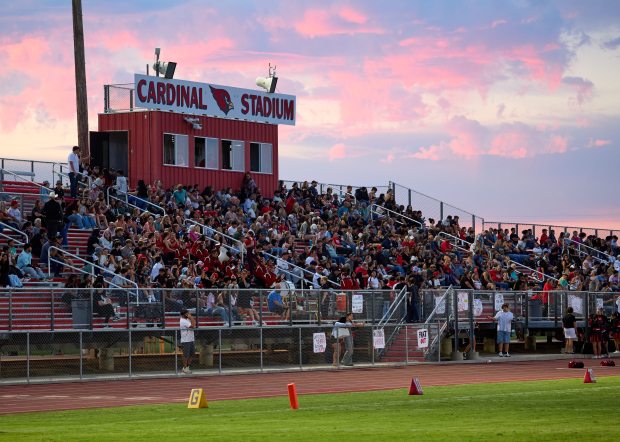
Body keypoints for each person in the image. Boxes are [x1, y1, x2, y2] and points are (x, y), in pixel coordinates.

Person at [179, 308, 196, 374]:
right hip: (186, 340)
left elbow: (194, 324)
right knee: (186, 355)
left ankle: (187, 367)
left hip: (191, 339)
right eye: (187, 313)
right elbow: (193, 325)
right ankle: (185, 368)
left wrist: (190, 318)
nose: (189, 314)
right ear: (184, 314)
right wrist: (191, 317)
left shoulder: (187, 319)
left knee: (192, 354)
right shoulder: (183, 321)